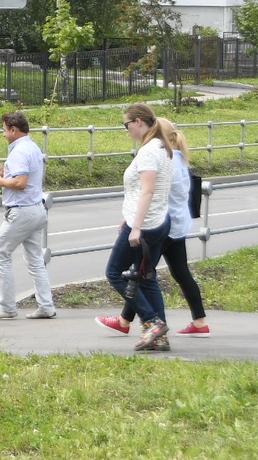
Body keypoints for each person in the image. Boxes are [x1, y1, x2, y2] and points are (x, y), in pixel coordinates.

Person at [98, 117, 210, 340]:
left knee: (141, 275)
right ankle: (197, 322)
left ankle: (142, 322)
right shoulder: (177, 158)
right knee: (171, 273)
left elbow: (153, 194)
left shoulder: (161, 157)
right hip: (175, 225)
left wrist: (135, 222)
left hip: (160, 225)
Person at [97, 103, 175, 352]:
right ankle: (160, 337)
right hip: (158, 221)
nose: (126, 129)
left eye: (126, 124)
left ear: (139, 122)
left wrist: (136, 226)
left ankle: (152, 322)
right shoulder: (162, 147)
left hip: (146, 225)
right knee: (146, 278)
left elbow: (148, 191)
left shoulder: (149, 151)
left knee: (114, 273)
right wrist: (130, 216)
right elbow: (144, 191)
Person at [0, 111, 56, 320]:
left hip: (21, 212)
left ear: (13, 130)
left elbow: (20, 184)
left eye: (5, 130)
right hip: (36, 210)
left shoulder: (19, 152)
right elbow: (24, 179)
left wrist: (0, 182)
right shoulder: (32, 147)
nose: (4, 134)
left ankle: (7, 306)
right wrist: (4, 174)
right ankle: (46, 305)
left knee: (0, 254)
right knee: (34, 259)